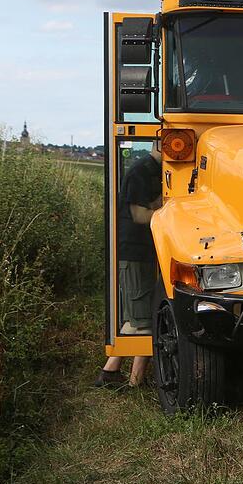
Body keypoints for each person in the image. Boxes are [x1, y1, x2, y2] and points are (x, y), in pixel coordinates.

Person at [95, 141, 163, 387]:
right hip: (135, 252)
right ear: (159, 145)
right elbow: (139, 215)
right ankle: (135, 381)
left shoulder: (152, 170)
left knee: (134, 318)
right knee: (144, 319)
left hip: (141, 252)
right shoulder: (141, 172)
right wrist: (170, 212)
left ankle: (110, 372)